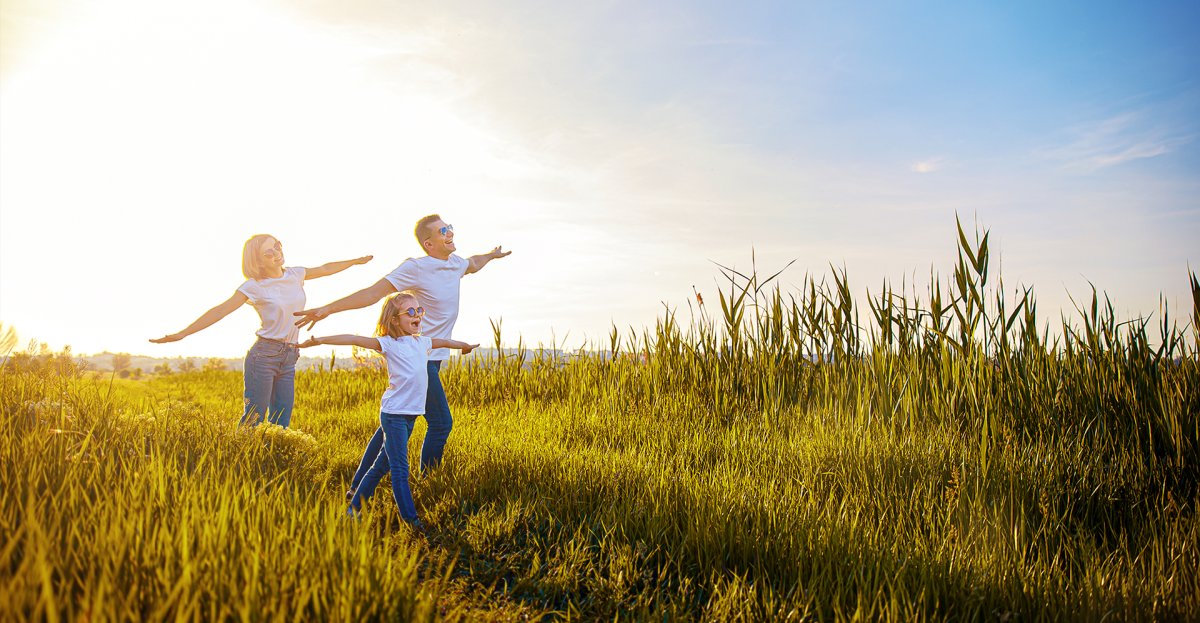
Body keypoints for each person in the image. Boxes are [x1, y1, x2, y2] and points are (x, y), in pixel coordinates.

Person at [294, 215, 509, 475]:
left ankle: (358, 484)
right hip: (415, 357)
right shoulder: (416, 267)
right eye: (443, 230)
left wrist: (491, 255)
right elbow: (373, 293)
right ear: (429, 244)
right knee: (440, 423)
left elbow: (474, 263)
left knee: (397, 422)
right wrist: (328, 308)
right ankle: (430, 481)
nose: (450, 232)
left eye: (450, 227)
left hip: (432, 357)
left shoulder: (454, 264)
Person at [151, 234, 372, 427]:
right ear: (257, 260)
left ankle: (272, 464)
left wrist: (354, 262)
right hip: (263, 356)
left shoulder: (295, 274)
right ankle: (241, 464)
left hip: (290, 355)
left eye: (277, 246)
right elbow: (221, 310)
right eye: (269, 252)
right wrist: (183, 333)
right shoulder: (253, 285)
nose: (277, 253)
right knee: (254, 419)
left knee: (281, 422)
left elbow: (325, 269)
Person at [300, 291, 478, 527]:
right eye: (411, 312)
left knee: (381, 464)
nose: (418, 315)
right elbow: (354, 339)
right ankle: (412, 521)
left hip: (410, 417)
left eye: (419, 310)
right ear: (395, 320)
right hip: (393, 416)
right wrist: (320, 340)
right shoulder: (388, 344)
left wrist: (463, 346)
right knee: (400, 469)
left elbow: (445, 342)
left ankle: (353, 509)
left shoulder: (422, 342)